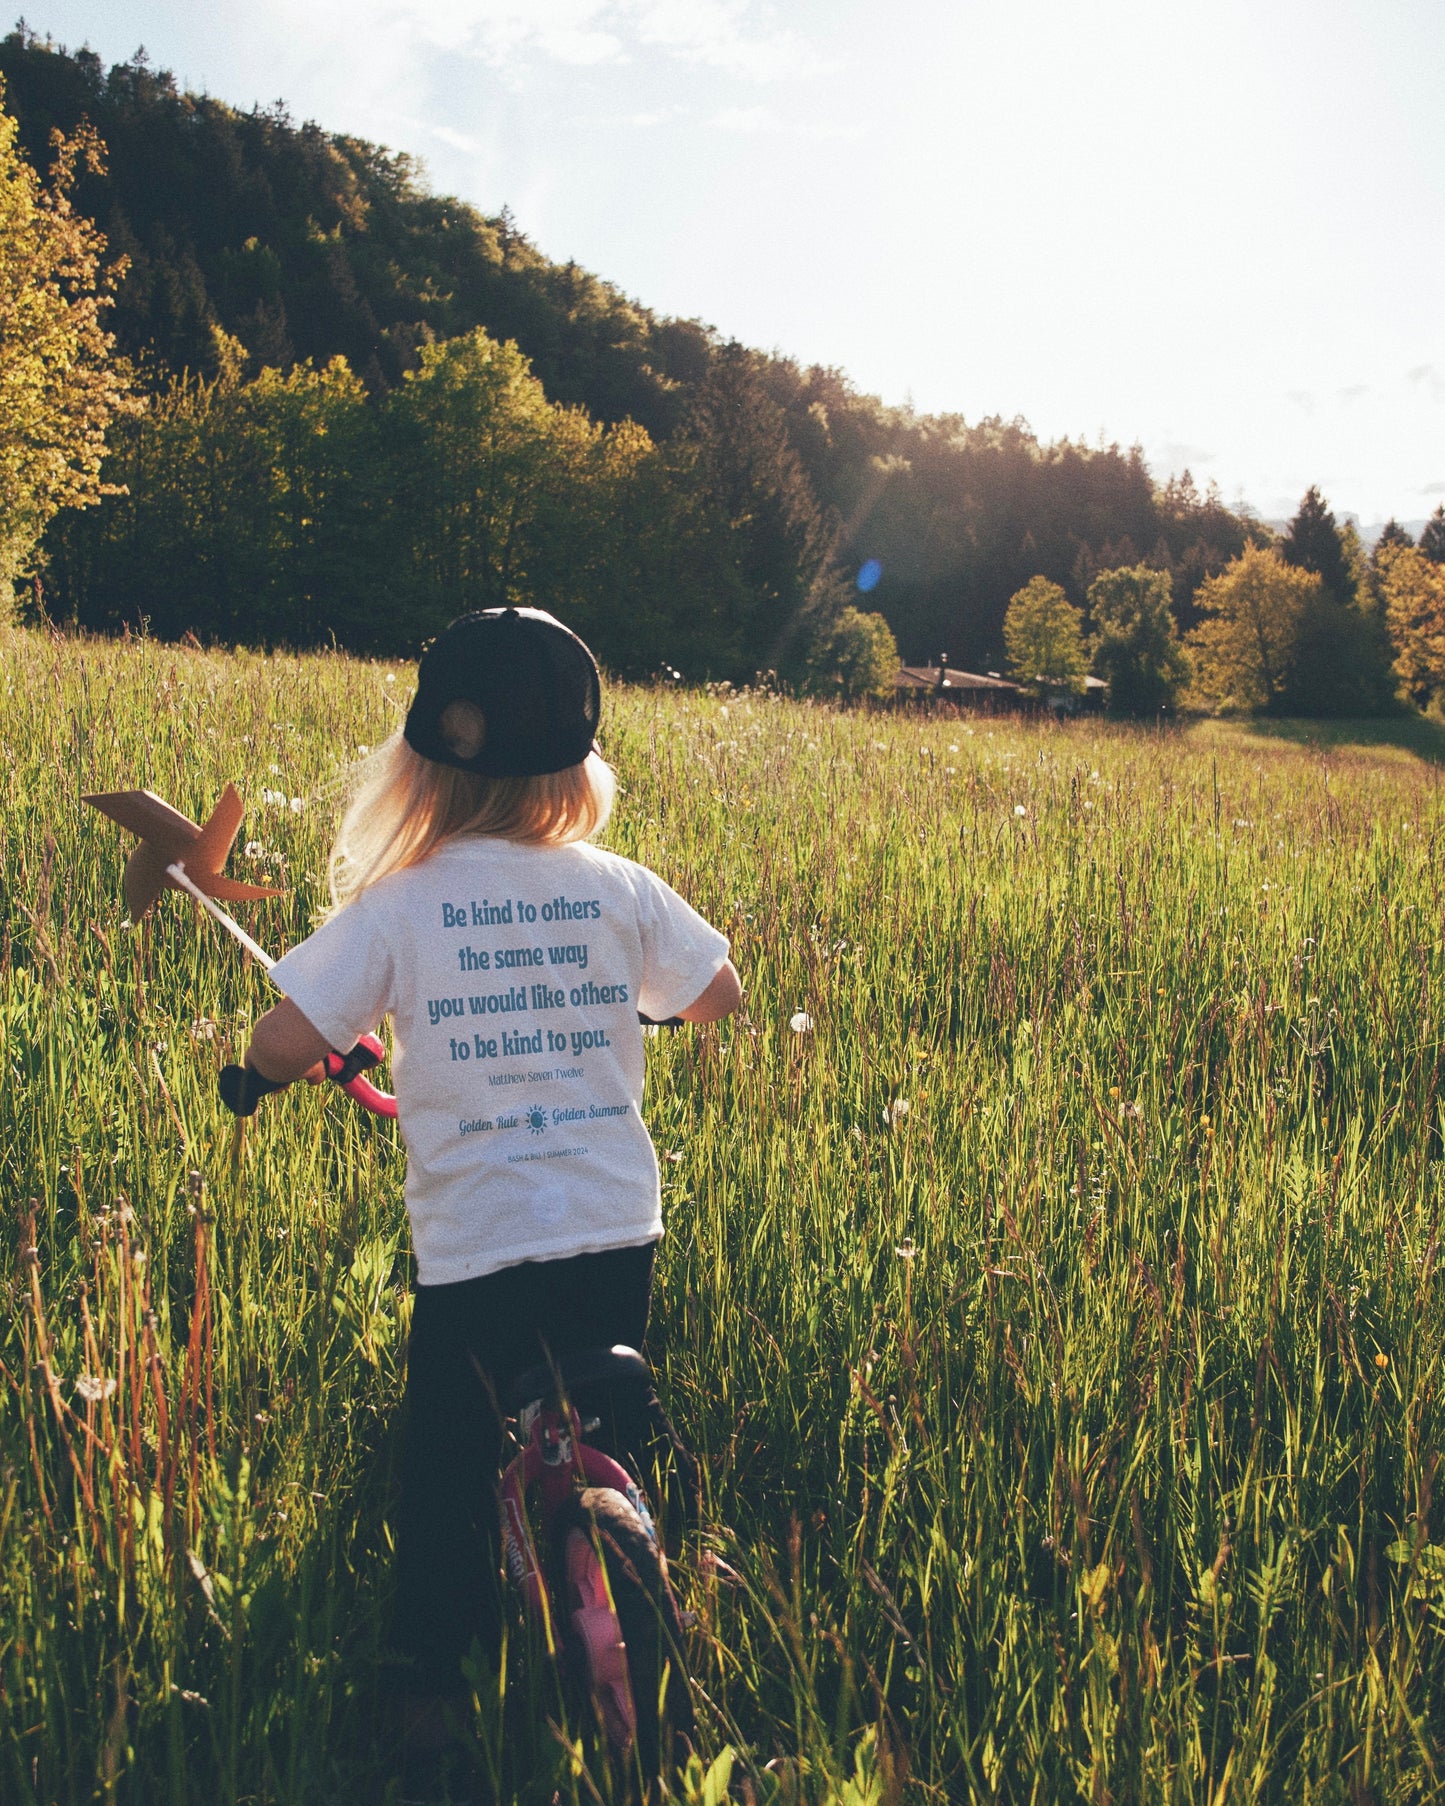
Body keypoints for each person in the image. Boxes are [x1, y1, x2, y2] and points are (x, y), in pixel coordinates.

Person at [220, 606, 741, 1766]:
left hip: (477, 1250)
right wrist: (644, 999)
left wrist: (255, 1072)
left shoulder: (400, 903)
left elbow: (293, 1034)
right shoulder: (618, 886)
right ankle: (614, 1544)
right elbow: (721, 993)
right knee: (596, 1407)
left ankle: (425, 1669)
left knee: (450, 1453)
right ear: (579, 767)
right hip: (615, 1229)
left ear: (420, 767)